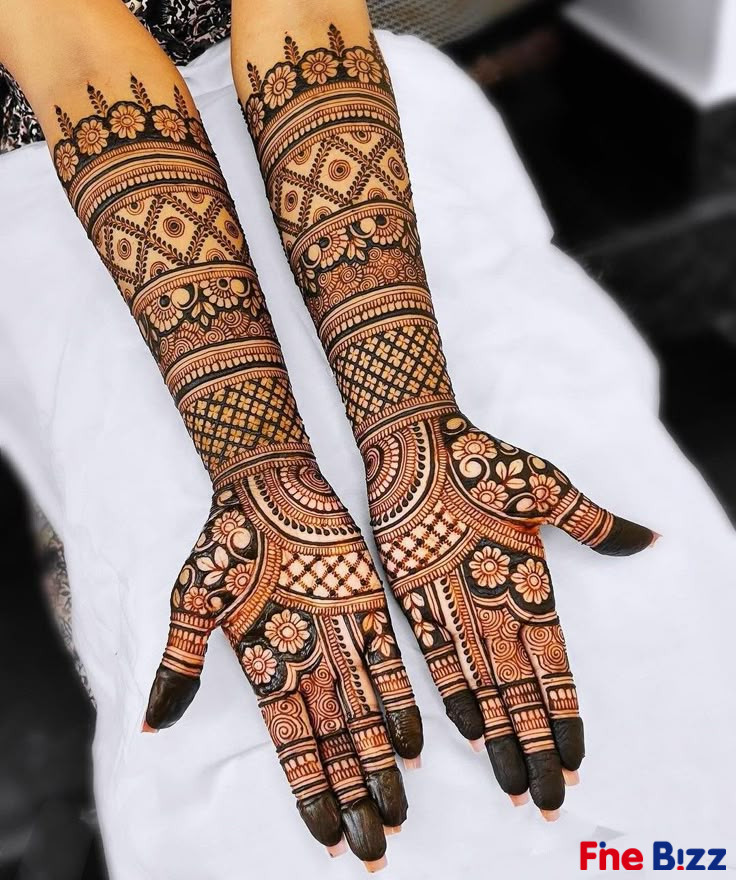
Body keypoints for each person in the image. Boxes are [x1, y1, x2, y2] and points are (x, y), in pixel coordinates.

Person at [0, 0, 655, 871]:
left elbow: (302, 10)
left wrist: (410, 424)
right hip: (63, 165)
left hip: (323, 103)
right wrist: (262, 468)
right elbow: (70, 54)